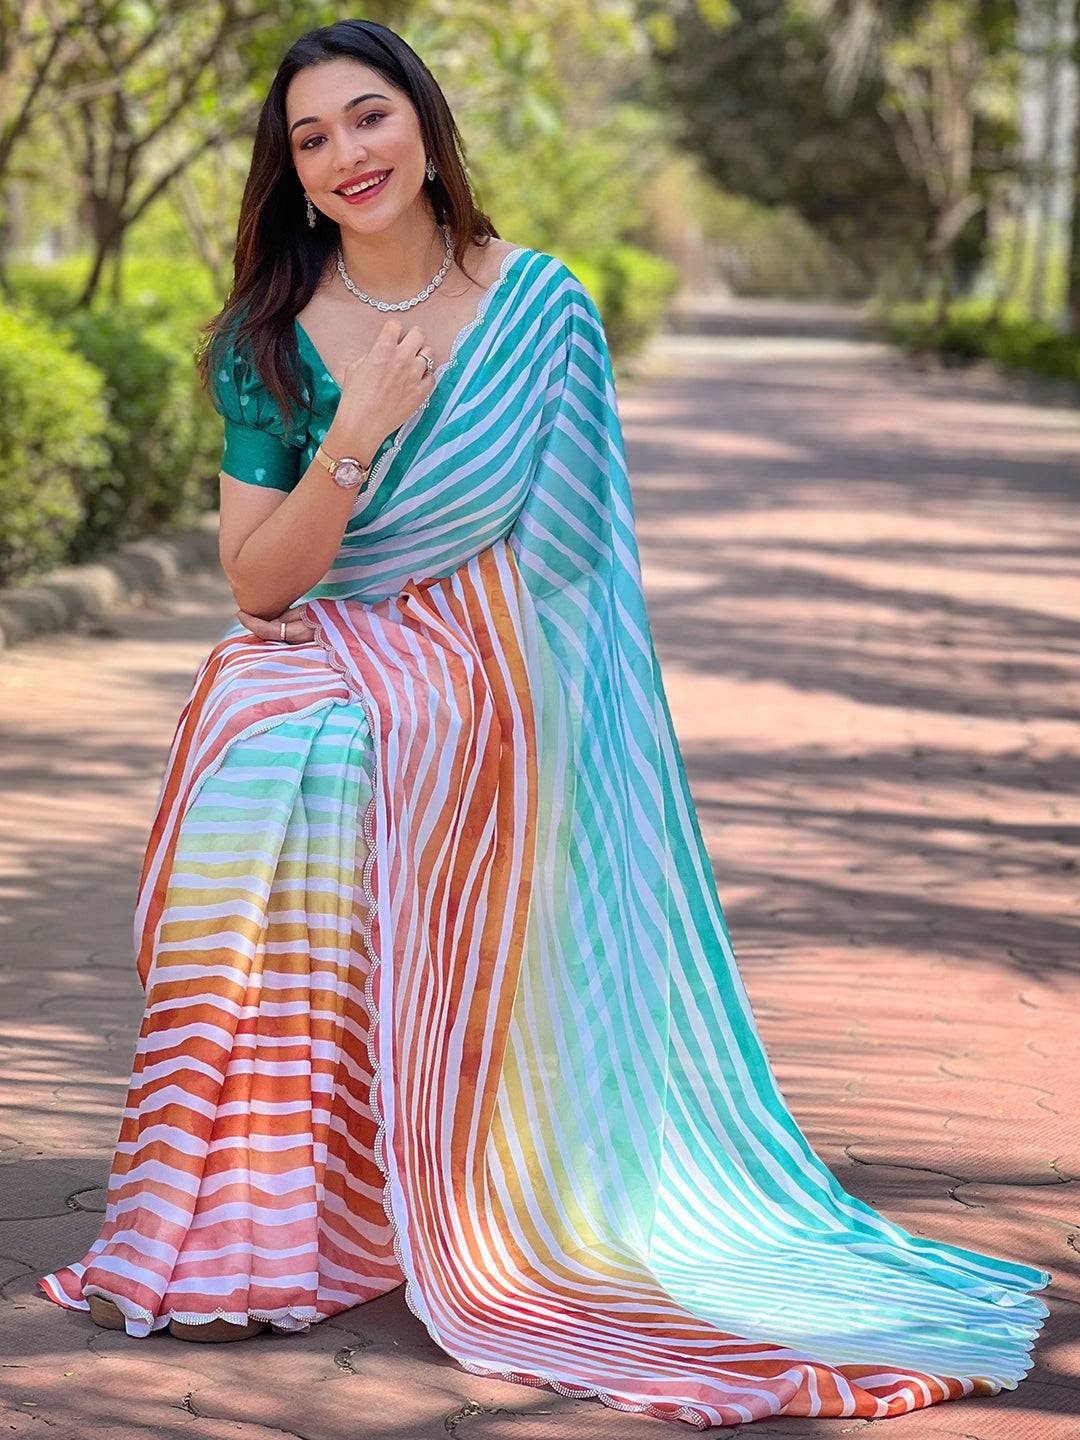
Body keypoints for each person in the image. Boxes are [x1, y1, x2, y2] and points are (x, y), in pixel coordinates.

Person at [38, 17, 1051, 1428]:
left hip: (501, 662)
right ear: (292, 173)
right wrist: (359, 432)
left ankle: (432, 1173)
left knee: (382, 743)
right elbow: (258, 585)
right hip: (327, 635)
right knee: (271, 745)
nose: (345, 156)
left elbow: (575, 570)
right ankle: (271, 1206)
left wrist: (470, 678)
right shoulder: (272, 337)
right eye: (312, 139)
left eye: (368, 118)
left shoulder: (540, 308)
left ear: (429, 128)